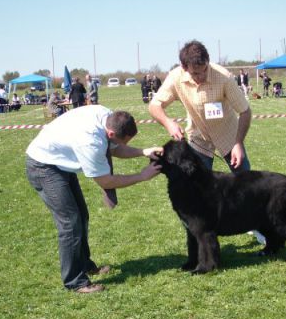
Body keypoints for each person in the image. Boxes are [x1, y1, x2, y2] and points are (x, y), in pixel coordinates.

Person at [25, 106, 162, 294]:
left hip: (58, 162)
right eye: (123, 141)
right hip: (43, 166)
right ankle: (75, 282)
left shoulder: (106, 115)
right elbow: (106, 181)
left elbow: (115, 148)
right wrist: (141, 176)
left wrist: (143, 151)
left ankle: (85, 265)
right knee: (70, 223)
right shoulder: (90, 142)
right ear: (111, 132)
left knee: (82, 215)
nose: (123, 144)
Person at [148, 40, 264, 244]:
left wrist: (238, 142)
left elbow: (245, 111)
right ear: (184, 68)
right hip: (198, 140)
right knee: (195, 188)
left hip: (228, 136)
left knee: (247, 184)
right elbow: (154, 106)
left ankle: (259, 227)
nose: (201, 76)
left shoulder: (224, 77)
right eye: (196, 73)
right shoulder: (175, 77)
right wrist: (168, 123)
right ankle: (200, 230)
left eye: (204, 71)